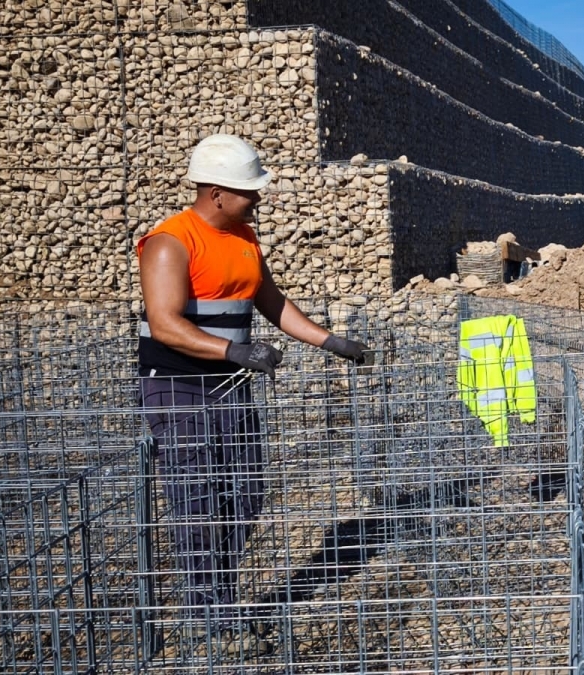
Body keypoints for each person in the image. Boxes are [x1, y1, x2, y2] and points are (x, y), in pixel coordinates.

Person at [137, 134, 370, 654]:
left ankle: (217, 596)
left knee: (242, 495)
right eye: (248, 191)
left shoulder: (242, 239)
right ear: (215, 192)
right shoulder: (170, 241)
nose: (257, 200)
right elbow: (165, 324)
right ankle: (208, 615)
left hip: (229, 387)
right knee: (197, 500)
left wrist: (329, 340)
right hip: (179, 387)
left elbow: (271, 302)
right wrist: (233, 352)